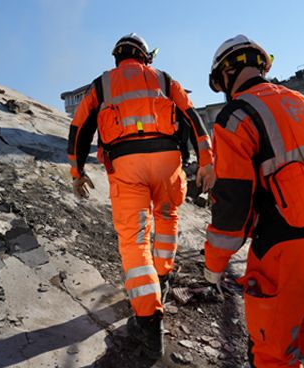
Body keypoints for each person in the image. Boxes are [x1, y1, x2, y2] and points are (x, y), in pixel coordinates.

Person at [203, 35, 304, 368]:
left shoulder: (235, 117)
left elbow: (232, 205)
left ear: (226, 77)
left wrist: (213, 266)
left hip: (286, 248)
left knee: (274, 354)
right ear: (261, 65)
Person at [67, 33, 215, 359]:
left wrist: (77, 172)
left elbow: (79, 127)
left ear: (117, 57)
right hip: (167, 163)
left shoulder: (103, 84)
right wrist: (205, 160)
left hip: (127, 166)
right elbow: (192, 116)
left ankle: (147, 321)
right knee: (167, 217)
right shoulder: (163, 78)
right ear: (145, 56)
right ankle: (161, 277)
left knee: (134, 241)